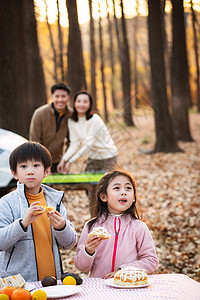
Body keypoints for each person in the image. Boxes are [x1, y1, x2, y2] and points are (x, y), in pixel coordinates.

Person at [0, 142, 77, 282]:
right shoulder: (7, 203)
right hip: (19, 283)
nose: (30, 171)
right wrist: (23, 224)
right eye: (23, 166)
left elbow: (69, 244)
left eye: (36, 165)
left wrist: (62, 227)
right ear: (14, 173)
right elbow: (1, 242)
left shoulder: (55, 201)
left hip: (52, 280)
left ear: (47, 171)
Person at [74, 170, 159, 278]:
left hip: (128, 286)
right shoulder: (93, 226)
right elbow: (81, 267)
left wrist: (124, 270)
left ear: (133, 198)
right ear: (104, 197)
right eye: (117, 188)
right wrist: (88, 251)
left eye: (128, 188)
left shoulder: (139, 227)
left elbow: (151, 260)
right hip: (99, 287)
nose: (123, 192)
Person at [57, 90, 118, 174]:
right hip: (92, 158)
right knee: (88, 185)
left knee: (107, 184)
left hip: (108, 156)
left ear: (90, 105)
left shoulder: (95, 119)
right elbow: (74, 144)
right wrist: (63, 160)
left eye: (85, 102)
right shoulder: (71, 121)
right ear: (74, 103)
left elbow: (88, 144)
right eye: (78, 101)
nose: (81, 104)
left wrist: (71, 161)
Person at [29, 83, 71, 173]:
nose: (60, 99)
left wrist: (67, 160)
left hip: (58, 161)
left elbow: (71, 142)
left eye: (63, 96)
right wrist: (43, 164)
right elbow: (34, 141)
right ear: (52, 97)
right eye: (57, 96)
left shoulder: (71, 115)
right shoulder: (39, 113)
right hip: (40, 160)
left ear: (68, 98)